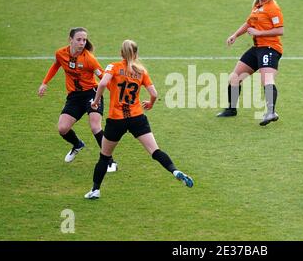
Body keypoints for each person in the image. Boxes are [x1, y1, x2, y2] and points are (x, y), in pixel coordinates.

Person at [84, 39, 194, 199]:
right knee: (155, 151)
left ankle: (95, 190)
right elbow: (154, 94)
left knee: (104, 156)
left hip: (116, 120)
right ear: (136, 54)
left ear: (121, 53)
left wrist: (95, 101)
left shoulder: (113, 67)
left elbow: (102, 84)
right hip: (137, 118)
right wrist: (150, 103)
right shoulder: (141, 71)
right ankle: (174, 170)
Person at [38, 27, 117, 172]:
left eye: (84, 40)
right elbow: (56, 65)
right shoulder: (61, 54)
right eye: (79, 39)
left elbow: (103, 78)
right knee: (62, 128)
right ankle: (77, 144)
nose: (82, 43)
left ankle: (110, 161)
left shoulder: (89, 59)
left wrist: (117, 96)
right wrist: (45, 82)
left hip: (92, 93)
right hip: (74, 97)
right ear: (70, 40)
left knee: (95, 126)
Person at [216, 0, 284, 126]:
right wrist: (235, 35)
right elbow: (249, 23)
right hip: (257, 48)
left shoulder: (273, 8)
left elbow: (280, 30)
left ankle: (271, 112)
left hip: (270, 49)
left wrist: (259, 33)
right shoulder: (257, 6)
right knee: (234, 78)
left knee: (267, 80)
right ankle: (231, 109)